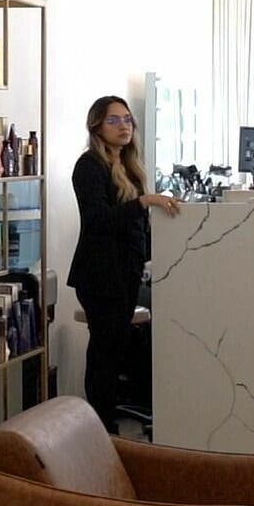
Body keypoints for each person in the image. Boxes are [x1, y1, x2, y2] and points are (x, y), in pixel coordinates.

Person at [68, 96, 181, 431]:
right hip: (99, 275)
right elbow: (99, 219)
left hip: (126, 274)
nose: (123, 126)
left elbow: (135, 227)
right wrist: (143, 201)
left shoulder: (130, 167)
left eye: (127, 120)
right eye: (113, 120)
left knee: (114, 351)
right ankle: (102, 429)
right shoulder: (89, 166)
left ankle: (106, 424)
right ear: (96, 126)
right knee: (104, 354)